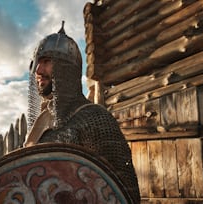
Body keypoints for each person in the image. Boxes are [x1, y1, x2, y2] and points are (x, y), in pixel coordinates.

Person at [24, 21, 140, 203]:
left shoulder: (96, 119)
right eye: (37, 62)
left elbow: (124, 189)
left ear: (66, 69)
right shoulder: (41, 124)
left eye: (46, 62)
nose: (38, 70)